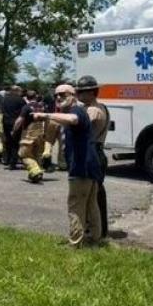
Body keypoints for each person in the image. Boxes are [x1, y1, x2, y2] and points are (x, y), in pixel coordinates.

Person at [33, 85, 103, 247]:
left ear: (73, 96)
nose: (58, 97)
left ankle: (75, 244)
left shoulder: (76, 111)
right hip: (90, 166)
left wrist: (45, 115)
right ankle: (94, 239)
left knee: (75, 205)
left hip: (81, 167)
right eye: (56, 95)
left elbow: (73, 119)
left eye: (63, 94)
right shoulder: (76, 111)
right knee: (91, 205)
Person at [76, 75, 110, 238]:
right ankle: (100, 229)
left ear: (91, 93)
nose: (78, 95)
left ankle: (95, 230)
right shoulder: (101, 107)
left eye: (81, 92)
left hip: (92, 153)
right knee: (96, 192)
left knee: (90, 194)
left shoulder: (92, 110)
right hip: (97, 152)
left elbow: (78, 126)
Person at [13, 94, 47, 183]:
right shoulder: (42, 106)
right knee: (38, 154)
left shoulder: (26, 107)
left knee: (23, 154)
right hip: (40, 132)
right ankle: (38, 172)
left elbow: (20, 120)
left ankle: (35, 170)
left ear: (26, 98)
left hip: (29, 134)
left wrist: (14, 129)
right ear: (35, 97)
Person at [0, 85, 26, 168]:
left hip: (6, 122)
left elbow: (2, 111)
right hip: (16, 123)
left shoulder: (4, 99)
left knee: (8, 141)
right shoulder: (20, 100)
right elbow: (24, 112)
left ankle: (7, 159)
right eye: (20, 91)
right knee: (15, 142)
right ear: (17, 91)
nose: (21, 93)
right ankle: (13, 162)